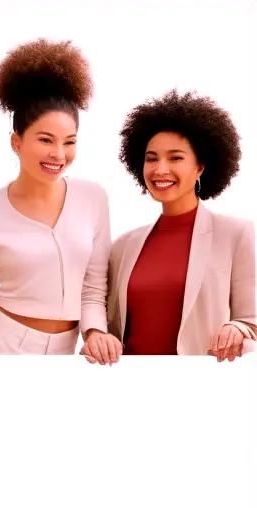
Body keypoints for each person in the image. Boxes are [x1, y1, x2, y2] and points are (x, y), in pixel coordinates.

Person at [0, 40, 119, 362]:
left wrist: (95, 332)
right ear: (16, 141)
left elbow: (95, 286)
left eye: (69, 142)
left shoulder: (93, 198)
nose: (59, 154)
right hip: (1, 346)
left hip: (69, 352)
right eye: (45, 140)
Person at [101, 91, 255, 362]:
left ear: (200, 167)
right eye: (151, 158)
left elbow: (252, 319)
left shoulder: (237, 235)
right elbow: (110, 329)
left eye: (175, 158)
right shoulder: (122, 246)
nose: (160, 169)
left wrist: (237, 327)